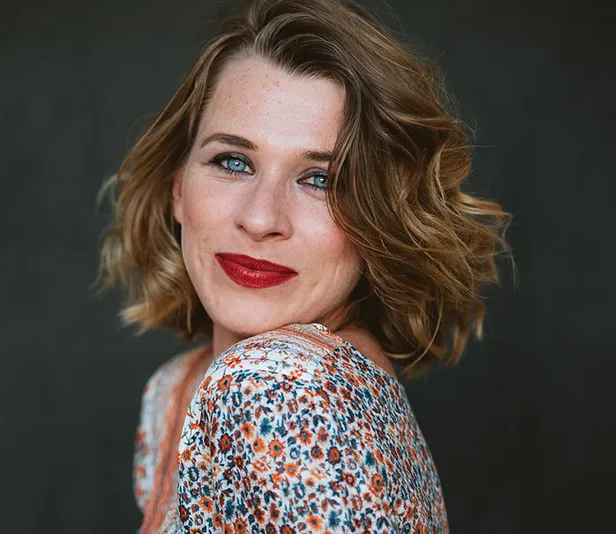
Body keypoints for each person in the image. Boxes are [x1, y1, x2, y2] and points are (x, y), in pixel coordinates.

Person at [98, 0, 512, 532]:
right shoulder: (177, 388)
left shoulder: (274, 389)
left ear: (381, 219)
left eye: (321, 179)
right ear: (178, 188)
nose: (261, 218)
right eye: (233, 162)